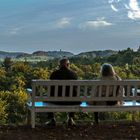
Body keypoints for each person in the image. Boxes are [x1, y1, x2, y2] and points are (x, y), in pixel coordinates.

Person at [46, 58, 80, 126]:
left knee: (47, 97)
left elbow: (51, 89)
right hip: (71, 101)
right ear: (68, 65)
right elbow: (75, 90)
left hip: (56, 101)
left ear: (59, 65)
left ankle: (52, 119)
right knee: (75, 97)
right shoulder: (74, 74)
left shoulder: (54, 74)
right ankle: (70, 118)